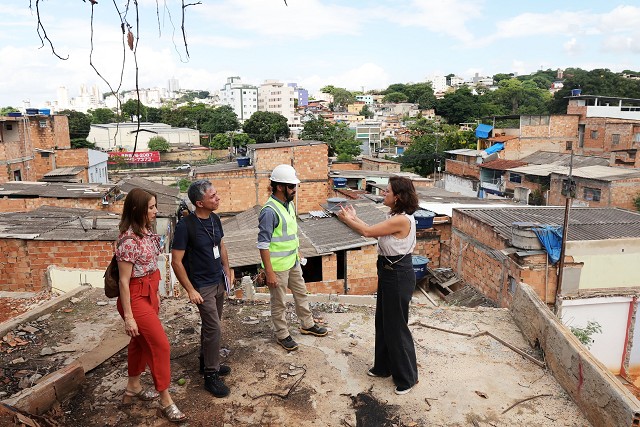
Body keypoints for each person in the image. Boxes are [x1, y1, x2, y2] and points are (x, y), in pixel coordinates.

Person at [337, 176, 419, 395]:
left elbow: (367, 232)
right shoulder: (394, 216)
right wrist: (354, 217)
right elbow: (372, 229)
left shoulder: (402, 220)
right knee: (383, 322)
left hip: (398, 275)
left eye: (387, 191)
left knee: (396, 326)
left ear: (398, 197)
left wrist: (347, 220)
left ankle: (407, 378)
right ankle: (383, 367)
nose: (384, 193)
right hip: (388, 272)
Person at [116, 188, 186, 423]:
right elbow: (124, 281)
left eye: (155, 206)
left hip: (149, 293)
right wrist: (128, 317)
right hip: (135, 297)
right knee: (160, 345)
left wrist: (156, 294)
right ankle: (165, 400)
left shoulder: (146, 232)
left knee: (139, 343)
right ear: (137, 209)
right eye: (151, 207)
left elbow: (151, 266)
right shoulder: (128, 240)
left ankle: (133, 387)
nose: (156, 211)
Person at [171, 180, 234, 398]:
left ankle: (205, 361)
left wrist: (227, 270)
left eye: (216, 194)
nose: (218, 198)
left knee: (211, 327)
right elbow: (176, 262)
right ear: (199, 202)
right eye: (212, 196)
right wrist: (190, 290)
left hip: (218, 281)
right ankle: (210, 375)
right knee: (214, 328)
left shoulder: (215, 219)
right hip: (201, 285)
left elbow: (221, 245)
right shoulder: (186, 226)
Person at [258, 164, 328, 351]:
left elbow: (290, 234)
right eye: (291, 186)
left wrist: (297, 252)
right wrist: (269, 272)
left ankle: (307, 324)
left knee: (301, 293)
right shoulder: (269, 211)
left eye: (295, 186)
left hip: (292, 261)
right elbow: (263, 244)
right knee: (279, 302)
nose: (295, 189)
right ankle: (282, 334)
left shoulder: (288, 205)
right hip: (277, 267)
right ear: (280, 187)